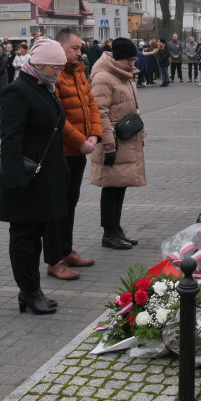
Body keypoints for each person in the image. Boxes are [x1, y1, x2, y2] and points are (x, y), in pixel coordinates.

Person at [0, 37, 69, 316]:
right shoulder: (18, 91)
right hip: (24, 181)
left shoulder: (43, 86)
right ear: (38, 64)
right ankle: (29, 292)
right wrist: (16, 183)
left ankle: (32, 290)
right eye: (54, 68)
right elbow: (10, 140)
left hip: (44, 178)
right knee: (25, 238)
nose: (57, 73)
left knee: (37, 234)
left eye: (60, 68)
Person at [45, 28, 103, 281]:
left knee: (70, 204)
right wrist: (81, 141)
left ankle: (66, 251)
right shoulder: (54, 76)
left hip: (79, 151)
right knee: (56, 208)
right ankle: (54, 260)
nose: (80, 52)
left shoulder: (79, 72)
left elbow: (91, 104)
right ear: (60, 48)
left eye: (81, 48)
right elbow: (57, 117)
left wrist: (94, 134)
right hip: (61, 153)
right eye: (75, 48)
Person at [90, 37, 145, 251]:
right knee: (111, 187)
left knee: (120, 185)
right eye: (129, 59)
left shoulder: (125, 75)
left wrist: (142, 132)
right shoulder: (104, 77)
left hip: (127, 138)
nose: (133, 63)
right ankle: (108, 233)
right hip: (112, 140)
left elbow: (134, 108)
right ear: (118, 58)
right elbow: (99, 112)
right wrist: (108, 145)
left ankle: (117, 228)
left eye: (134, 59)